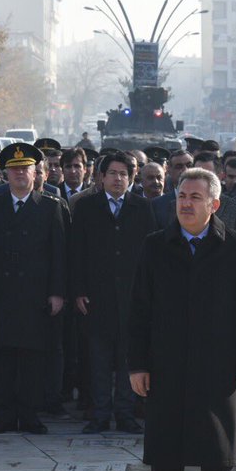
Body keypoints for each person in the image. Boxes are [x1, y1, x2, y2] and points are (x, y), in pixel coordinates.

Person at [130, 168, 236, 471]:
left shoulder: (235, 247)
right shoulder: (156, 246)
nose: (186, 203)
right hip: (166, 367)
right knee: (166, 458)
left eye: (195, 197)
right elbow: (139, 310)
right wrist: (137, 364)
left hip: (216, 367)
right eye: (182, 196)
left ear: (214, 204)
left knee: (217, 459)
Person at [0, 143, 66, 434]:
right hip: (0, 293)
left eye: (25, 169)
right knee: (1, 360)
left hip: (34, 295)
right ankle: (3, 416)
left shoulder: (50, 207)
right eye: (14, 170)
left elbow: (60, 254)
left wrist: (57, 292)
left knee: (32, 359)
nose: (20, 175)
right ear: (6, 173)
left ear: (36, 173)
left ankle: (29, 415)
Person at [72, 151, 154, 434]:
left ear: (131, 178)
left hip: (132, 299)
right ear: (101, 177)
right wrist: (79, 290)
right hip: (97, 297)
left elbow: (150, 255)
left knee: (127, 360)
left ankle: (125, 414)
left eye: (124, 174)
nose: (118, 179)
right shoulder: (86, 207)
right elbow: (77, 252)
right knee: (99, 361)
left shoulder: (143, 209)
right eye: (113, 173)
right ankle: (100, 414)